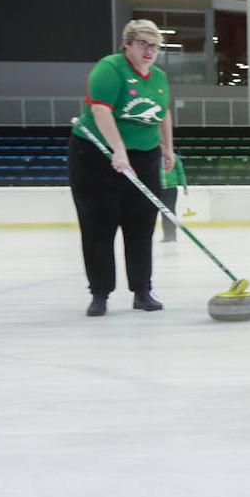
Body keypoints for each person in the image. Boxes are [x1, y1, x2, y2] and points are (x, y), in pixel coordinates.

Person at [69, 19, 175, 316]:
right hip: (95, 155)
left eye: (154, 46)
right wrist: (117, 150)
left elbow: (162, 111)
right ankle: (100, 293)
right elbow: (100, 109)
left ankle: (142, 290)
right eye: (142, 44)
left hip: (143, 156)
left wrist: (167, 147)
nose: (149, 51)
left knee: (141, 226)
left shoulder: (158, 77)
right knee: (98, 226)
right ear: (127, 44)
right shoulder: (110, 68)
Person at [159, 152, 188, 242]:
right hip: (160, 188)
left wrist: (184, 186)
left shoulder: (174, 157)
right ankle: (166, 235)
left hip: (171, 188)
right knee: (163, 212)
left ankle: (172, 235)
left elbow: (180, 171)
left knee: (171, 211)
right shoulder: (156, 156)